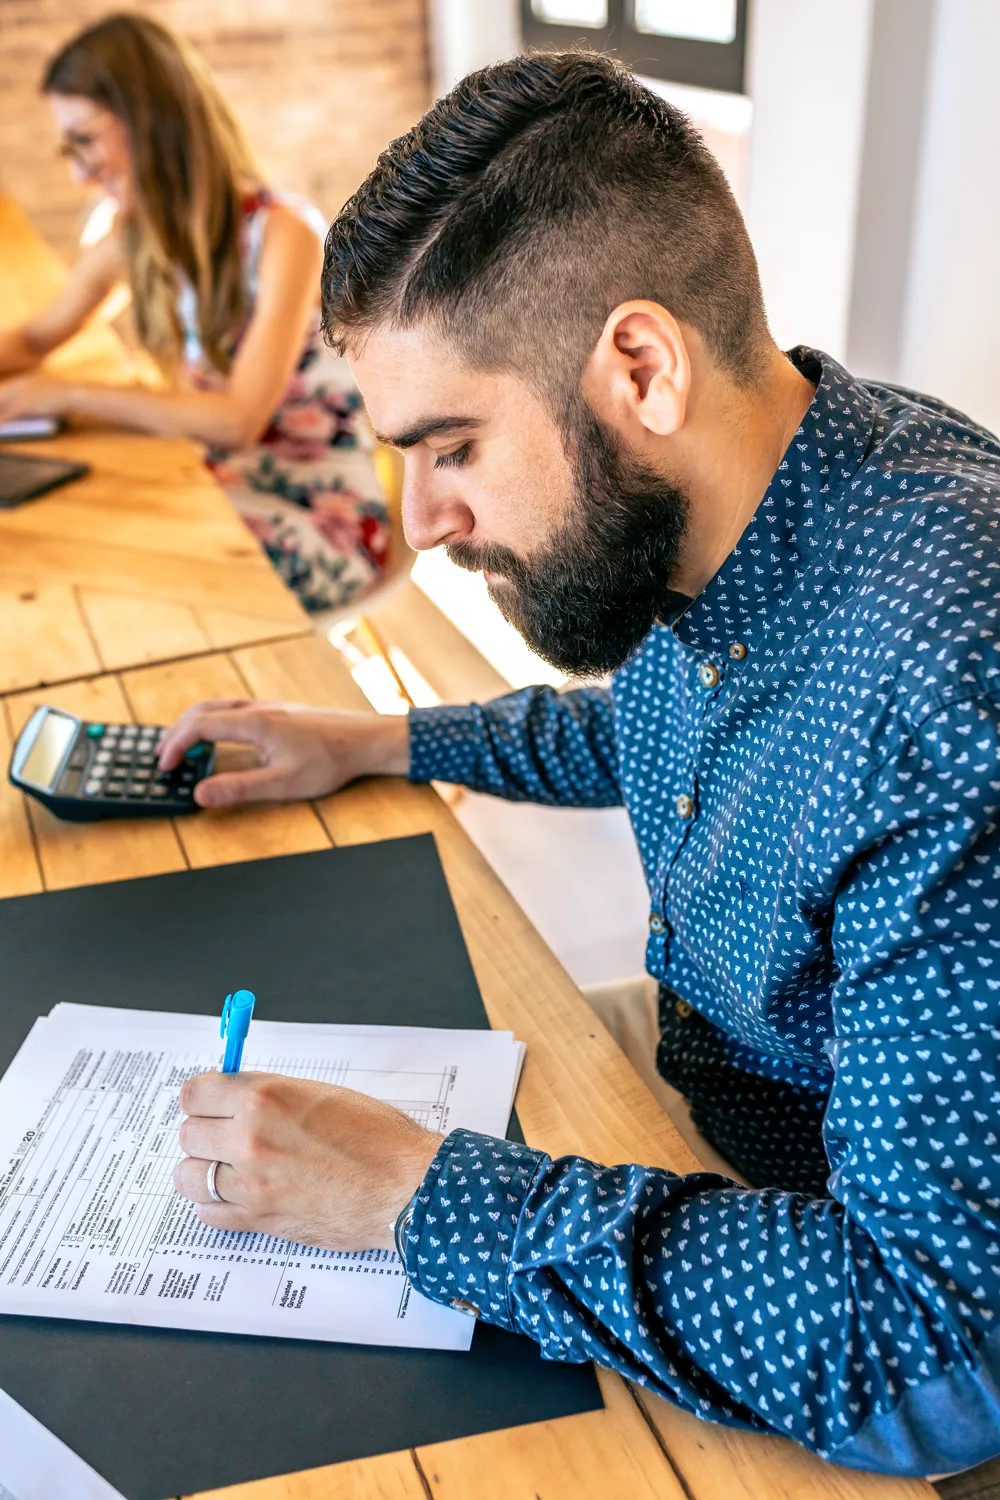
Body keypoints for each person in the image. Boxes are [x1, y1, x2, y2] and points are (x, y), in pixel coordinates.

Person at [165, 53, 1000, 1477]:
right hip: (705, 1097)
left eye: (453, 446)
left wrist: (424, 1200)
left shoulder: (945, 666)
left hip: (840, 1279)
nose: (422, 521)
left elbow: (932, 1353)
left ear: (639, 367)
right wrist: (372, 741)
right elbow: (661, 729)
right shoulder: (752, 495)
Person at [0, 13, 389, 615]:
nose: (78, 173)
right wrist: (34, 386)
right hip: (228, 487)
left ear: (149, 119)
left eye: (85, 139)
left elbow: (237, 420)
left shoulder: (283, 233)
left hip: (321, 518)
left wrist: (63, 395)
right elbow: (36, 337)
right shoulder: (134, 242)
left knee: (116, 561)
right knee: (90, 529)